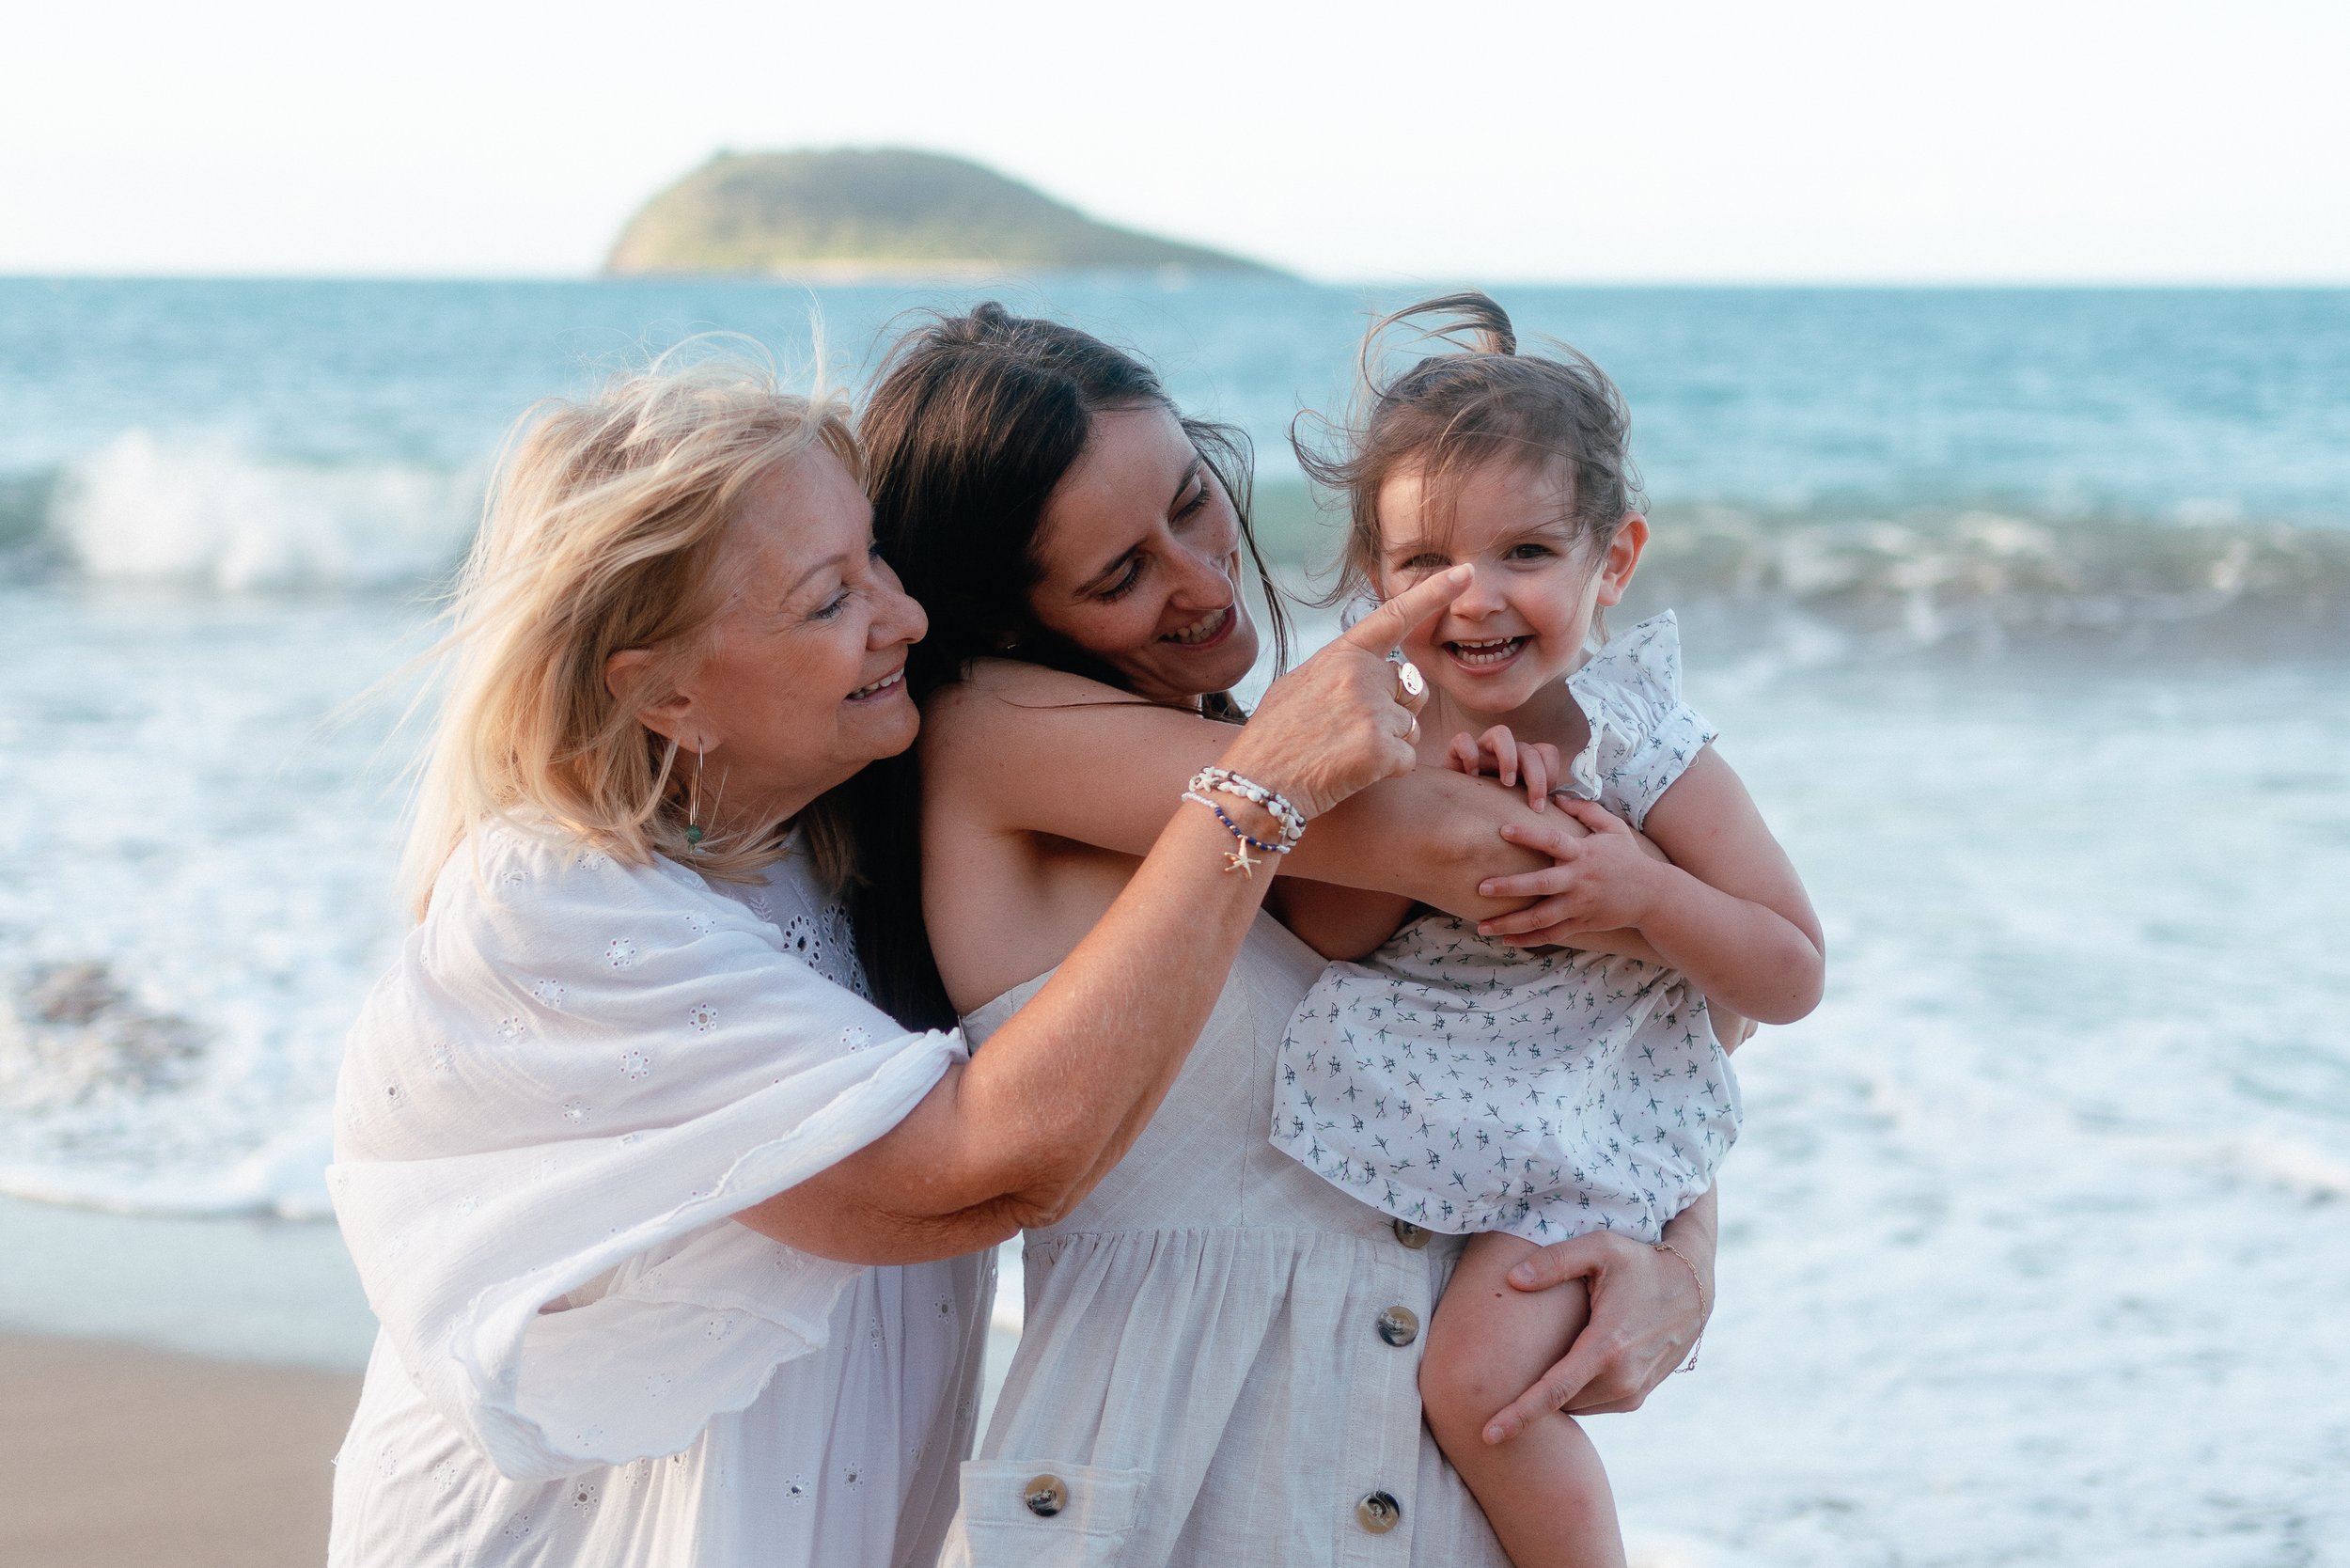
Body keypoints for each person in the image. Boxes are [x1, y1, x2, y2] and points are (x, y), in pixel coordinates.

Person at [324, 350, 1454, 1567]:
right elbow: (988, 1166)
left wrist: (1644, 1232)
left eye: (881, 562)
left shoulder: (845, 835)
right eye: (829, 601)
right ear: (663, 695)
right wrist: (1257, 790)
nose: (905, 621)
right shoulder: (560, 913)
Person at [854, 305, 1728, 1566]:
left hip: (1423, 1504)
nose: (1204, 579)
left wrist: (1685, 1254)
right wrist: (1678, 883)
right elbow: (1512, 867)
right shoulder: (1002, 736)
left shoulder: (1284, 751)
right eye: (1120, 574)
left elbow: (1590, 1012)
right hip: (1176, 1497)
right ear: (1003, 617)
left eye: (1195, 502)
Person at [1269, 293, 1826, 1568]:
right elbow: (1333, 933)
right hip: (1431, 1110)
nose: (1476, 598)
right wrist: (1425, 803)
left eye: (1526, 552)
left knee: (1474, 1387)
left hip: (1588, 1126)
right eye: (1426, 565)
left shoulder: (1647, 748)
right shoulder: (1388, 736)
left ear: (1611, 562)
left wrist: (1646, 897)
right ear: (1373, 580)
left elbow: (1790, 971)